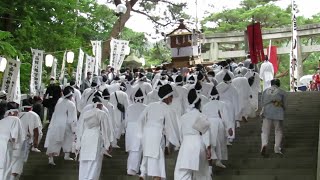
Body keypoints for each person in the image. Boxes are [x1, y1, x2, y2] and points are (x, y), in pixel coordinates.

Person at [138, 84, 180, 180]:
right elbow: (171, 126)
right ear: (168, 97)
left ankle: (143, 173)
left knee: (147, 152)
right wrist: (176, 142)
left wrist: (142, 131)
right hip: (157, 133)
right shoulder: (167, 109)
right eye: (171, 97)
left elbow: (140, 119)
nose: (172, 99)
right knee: (157, 154)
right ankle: (156, 175)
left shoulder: (151, 105)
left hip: (147, 131)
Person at [174, 89, 212, 180]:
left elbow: (180, 133)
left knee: (182, 172)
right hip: (198, 143)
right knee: (202, 172)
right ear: (199, 103)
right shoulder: (201, 115)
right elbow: (206, 133)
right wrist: (208, 147)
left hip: (186, 144)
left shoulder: (183, 117)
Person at [76, 96, 113, 180]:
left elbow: (80, 128)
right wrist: (108, 144)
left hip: (85, 137)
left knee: (84, 161)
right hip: (96, 137)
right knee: (95, 162)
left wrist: (78, 144)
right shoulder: (102, 113)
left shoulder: (86, 113)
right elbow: (105, 130)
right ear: (100, 104)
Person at [45, 86, 77, 165]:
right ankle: (66, 155)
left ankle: (51, 158)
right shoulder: (71, 104)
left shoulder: (59, 100)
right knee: (68, 139)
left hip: (55, 123)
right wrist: (74, 129)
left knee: (54, 140)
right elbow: (72, 118)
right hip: (65, 124)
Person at [11, 101, 42, 179]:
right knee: (19, 161)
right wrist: (35, 143)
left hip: (11, 141)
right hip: (23, 141)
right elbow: (36, 131)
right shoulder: (33, 115)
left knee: (12, 160)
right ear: (30, 107)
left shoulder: (15, 114)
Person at [202, 86, 229, 169]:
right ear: (218, 95)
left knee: (210, 143)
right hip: (218, 123)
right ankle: (218, 161)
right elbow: (225, 117)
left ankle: (210, 164)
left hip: (208, 123)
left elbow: (203, 117)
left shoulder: (205, 105)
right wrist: (228, 127)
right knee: (220, 142)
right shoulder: (222, 104)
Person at [260, 79, 287, 156]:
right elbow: (285, 104)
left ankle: (264, 144)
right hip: (278, 111)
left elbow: (262, 103)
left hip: (267, 112)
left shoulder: (265, 91)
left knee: (265, 131)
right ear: (279, 84)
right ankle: (277, 148)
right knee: (278, 130)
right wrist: (284, 108)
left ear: (271, 84)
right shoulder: (282, 92)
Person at [125, 88, 147, 176]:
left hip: (130, 128)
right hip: (139, 128)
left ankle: (131, 168)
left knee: (132, 149)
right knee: (137, 150)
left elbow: (126, 120)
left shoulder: (129, 107)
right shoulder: (145, 107)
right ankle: (132, 169)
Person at [0, 102, 23, 180]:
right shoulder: (15, 119)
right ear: (12, 112)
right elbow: (14, 136)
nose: (18, 113)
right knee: (6, 169)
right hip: (6, 146)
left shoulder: (2, 121)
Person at [216, 73, 239, 145]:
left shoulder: (219, 86)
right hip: (230, 106)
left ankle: (223, 136)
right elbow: (236, 99)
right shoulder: (233, 88)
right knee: (230, 121)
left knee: (223, 120)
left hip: (220, 105)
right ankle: (230, 137)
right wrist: (237, 111)